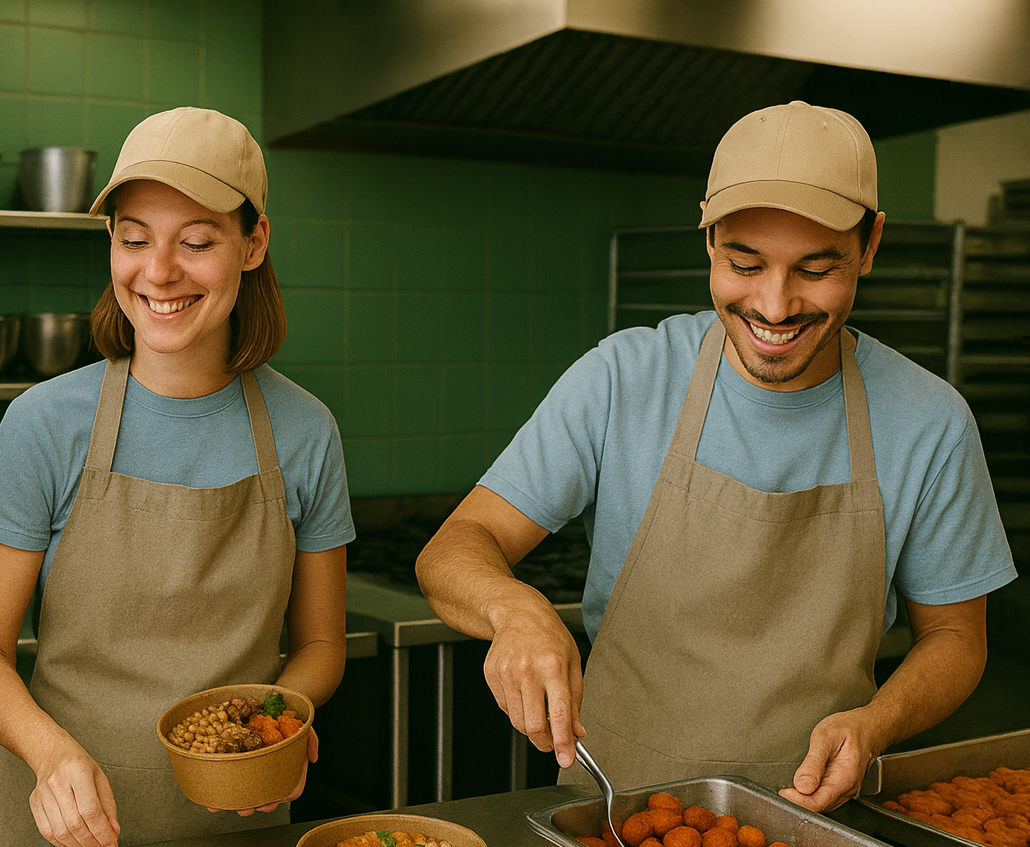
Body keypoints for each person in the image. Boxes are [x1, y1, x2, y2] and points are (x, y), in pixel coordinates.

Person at [416, 101, 1016, 811]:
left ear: (871, 244)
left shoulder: (930, 421)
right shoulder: (623, 379)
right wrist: (514, 609)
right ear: (708, 236)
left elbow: (955, 635)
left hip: (817, 829)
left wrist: (875, 724)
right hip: (612, 814)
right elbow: (454, 548)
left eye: (816, 269)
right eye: (744, 263)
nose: (775, 305)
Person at [0, 107, 355, 847]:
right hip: (56, 833)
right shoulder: (43, 423)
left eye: (196, 242)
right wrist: (50, 753)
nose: (160, 272)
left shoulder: (306, 432)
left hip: (239, 833)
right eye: (135, 240)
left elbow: (321, 644)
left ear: (253, 244)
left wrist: (279, 721)